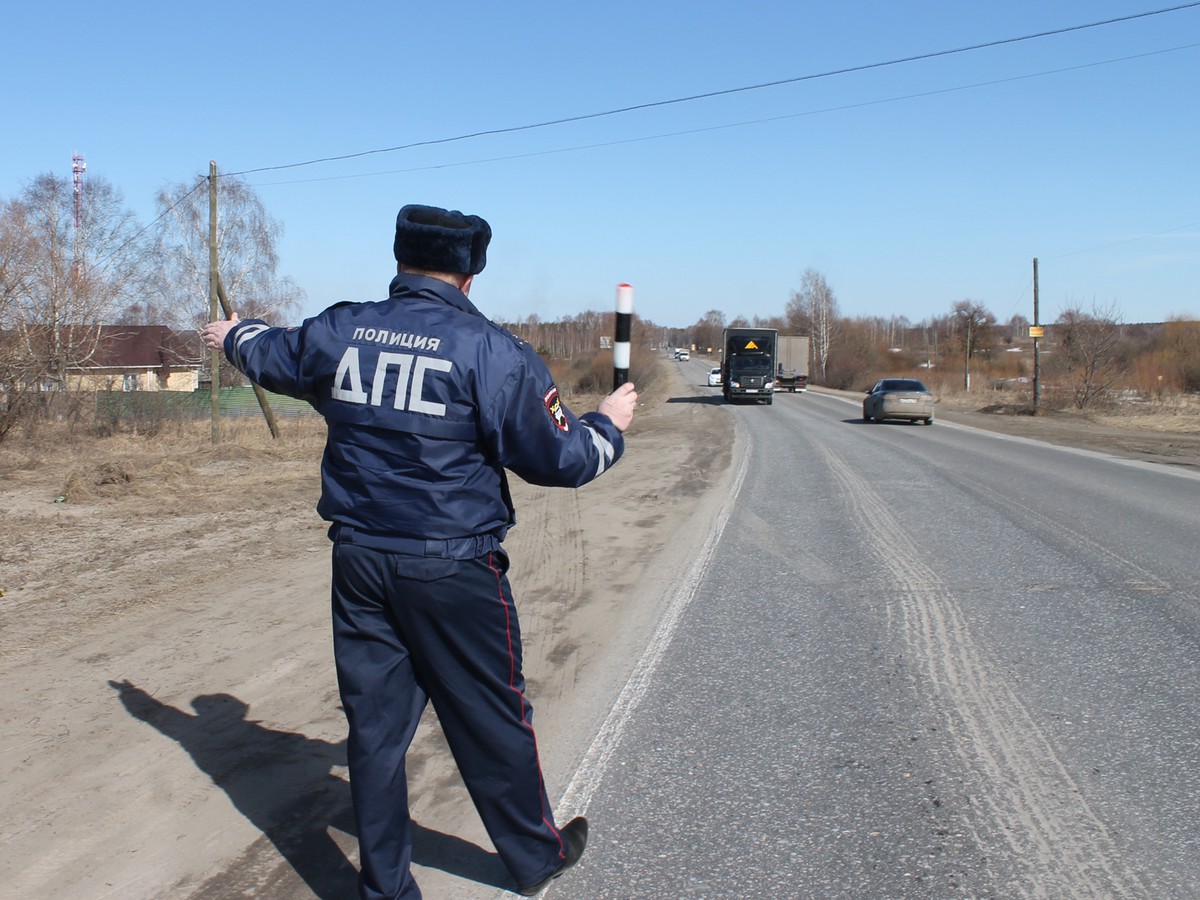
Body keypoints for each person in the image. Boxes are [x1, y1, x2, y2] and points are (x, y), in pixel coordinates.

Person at [202, 203, 637, 899]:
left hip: (360, 562)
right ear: (469, 275)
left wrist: (233, 333)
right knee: (492, 716)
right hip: (452, 569)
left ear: (400, 260)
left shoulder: (341, 330)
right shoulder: (493, 352)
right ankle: (533, 859)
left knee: (373, 732)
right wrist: (608, 427)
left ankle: (387, 889)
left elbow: (270, 351)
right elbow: (562, 460)